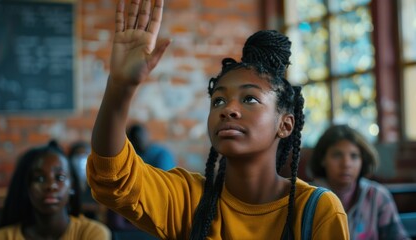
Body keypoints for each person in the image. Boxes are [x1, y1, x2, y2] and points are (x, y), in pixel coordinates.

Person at [86, 0, 349, 239]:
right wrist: (119, 88)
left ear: (285, 124)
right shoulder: (189, 199)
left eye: (250, 99)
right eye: (218, 101)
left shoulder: (316, 210)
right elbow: (114, 177)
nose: (228, 110)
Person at [0, 140, 111, 240]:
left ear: (72, 186)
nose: (51, 186)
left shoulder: (92, 234)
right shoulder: (3, 237)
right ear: (26, 186)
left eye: (60, 177)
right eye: (40, 178)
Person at [309, 124, 410, 240]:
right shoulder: (307, 197)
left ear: (363, 160)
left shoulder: (376, 196)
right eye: (337, 155)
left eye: (354, 156)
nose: (346, 164)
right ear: (322, 159)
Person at [106, 124, 176, 231]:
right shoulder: (132, 154)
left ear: (147, 136)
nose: (139, 141)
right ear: (130, 141)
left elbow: (164, 184)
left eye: (141, 137)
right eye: (135, 139)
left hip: (157, 197)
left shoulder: (161, 154)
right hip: (133, 197)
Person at [68, 141, 100, 220]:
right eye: (77, 155)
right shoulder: (67, 180)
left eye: (85, 155)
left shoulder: (98, 179)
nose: (81, 159)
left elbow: (104, 207)